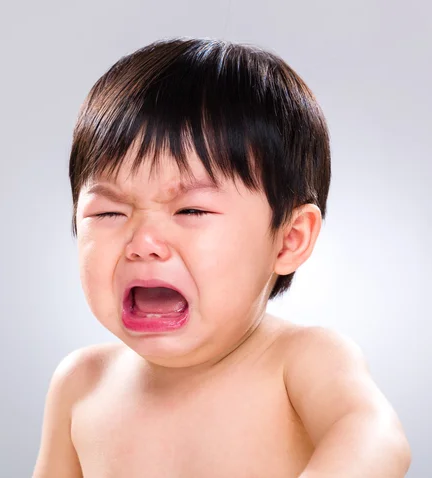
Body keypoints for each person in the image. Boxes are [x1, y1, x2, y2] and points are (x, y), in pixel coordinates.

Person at [32, 37, 411, 477]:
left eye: (191, 210)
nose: (144, 241)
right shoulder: (81, 383)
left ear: (288, 240)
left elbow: (377, 438)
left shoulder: (300, 361)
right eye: (109, 212)